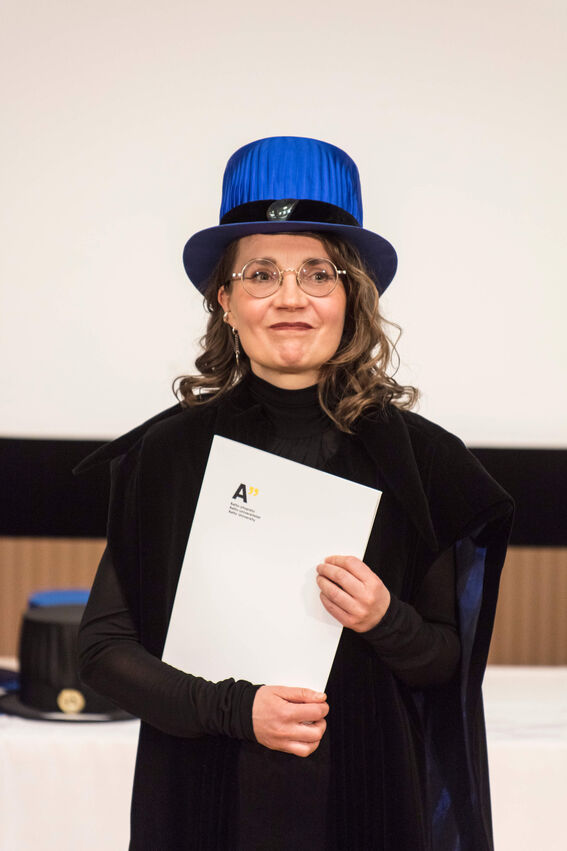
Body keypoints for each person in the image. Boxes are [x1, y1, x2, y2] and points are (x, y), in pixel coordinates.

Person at [77, 136, 513, 851]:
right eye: (260, 273)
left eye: (318, 273)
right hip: (205, 791)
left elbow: (445, 661)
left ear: (352, 296)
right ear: (224, 299)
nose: (289, 299)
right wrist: (233, 709)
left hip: (369, 799)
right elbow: (102, 649)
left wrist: (383, 617)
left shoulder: (426, 461)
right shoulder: (168, 455)